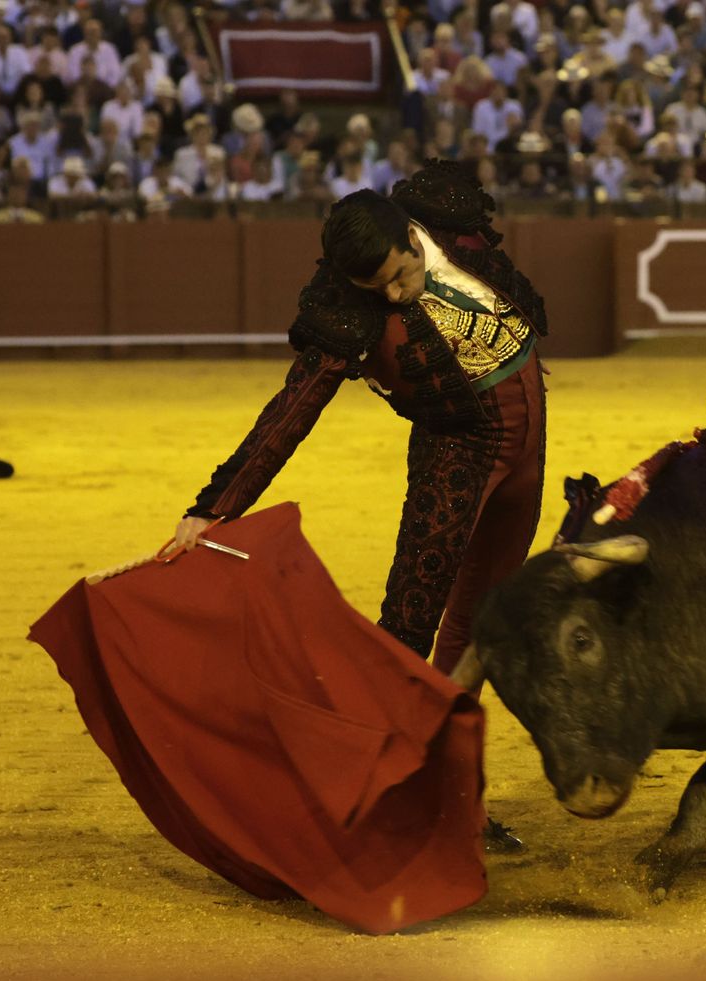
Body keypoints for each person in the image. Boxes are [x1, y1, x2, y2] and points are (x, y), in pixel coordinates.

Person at [169, 163, 549, 849]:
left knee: (483, 625)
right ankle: (377, 794)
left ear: (413, 235)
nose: (400, 295)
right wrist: (215, 506)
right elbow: (293, 410)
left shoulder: (446, 221)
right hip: (457, 453)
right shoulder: (345, 306)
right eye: (382, 289)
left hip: (529, 447)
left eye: (402, 275)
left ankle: (451, 796)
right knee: (407, 628)